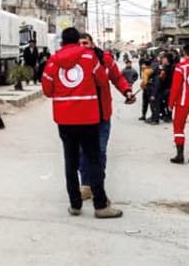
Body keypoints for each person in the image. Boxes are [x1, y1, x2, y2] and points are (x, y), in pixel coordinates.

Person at [41, 27, 122, 219]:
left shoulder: (53, 62)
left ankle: (75, 205)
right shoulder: (88, 57)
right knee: (93, 160)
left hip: (64, 120)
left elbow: (47, 90)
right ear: (78, 41)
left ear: (62, 42)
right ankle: (100, 206)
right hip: (88, 117)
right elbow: (102, 80)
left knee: (71, 161)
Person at [77, 34, 135, 202]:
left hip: (102, 115)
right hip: (82, 116)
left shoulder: (105, 59)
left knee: (100, 152)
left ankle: (97, 187)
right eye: (80, 43)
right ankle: (85, 186)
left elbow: (117, 78)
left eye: (85, 43)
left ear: (92, 44)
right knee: (83, 152)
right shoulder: (73, 62)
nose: (83, 46)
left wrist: (127, 91)